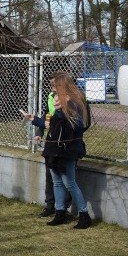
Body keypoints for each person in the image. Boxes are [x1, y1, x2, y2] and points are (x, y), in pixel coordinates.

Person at [22, 73, 92, 229]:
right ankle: (60, 212)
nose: (52, 90)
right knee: (57, 182)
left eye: (54, 86)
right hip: (53, 147)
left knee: (70, 182)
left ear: (62, 86)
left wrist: (62, 111)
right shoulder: (56, 101)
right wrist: (34, 119)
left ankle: (84, 214)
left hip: (68, 149)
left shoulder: (75, 102)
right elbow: (51, 124)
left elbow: (78, 125)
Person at [36, 72, 72, 218]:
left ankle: (65, 208)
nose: (52, 88)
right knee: (50, 176)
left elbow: (83, 122)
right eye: (51, 85)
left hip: (66, 143)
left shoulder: (75, 98)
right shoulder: (51, 97)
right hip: (52, 141)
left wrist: (66, 133)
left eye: (54, 85)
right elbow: (47, 115)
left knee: (67, 178)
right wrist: (40, 132)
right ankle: (50, 205)